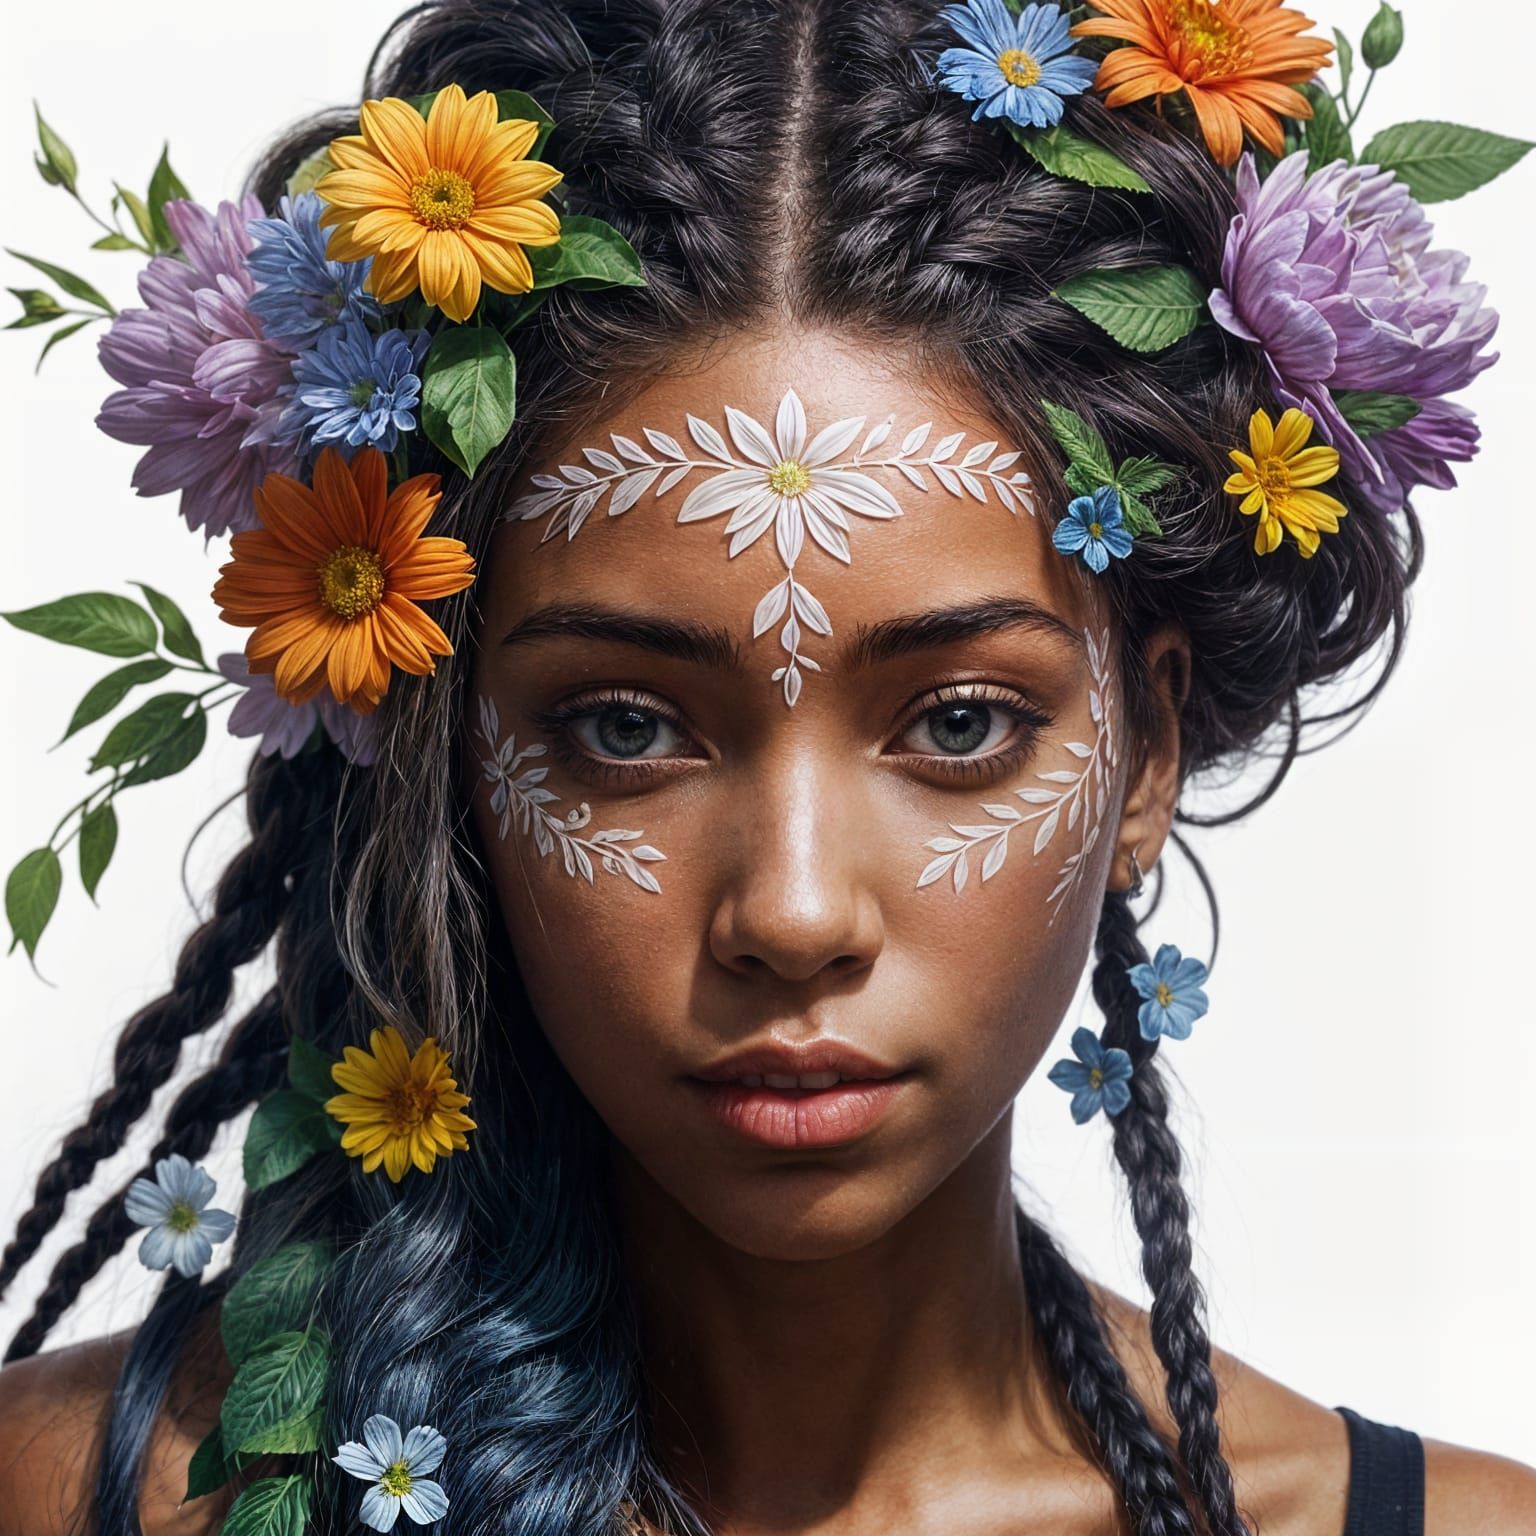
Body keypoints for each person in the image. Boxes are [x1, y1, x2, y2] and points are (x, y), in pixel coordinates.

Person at [0, 0, 1532, 1532]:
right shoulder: (65, 1496)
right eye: (623, 728)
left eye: (956, 722)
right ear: (444, 752)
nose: (793, 916)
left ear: (1148, 748)